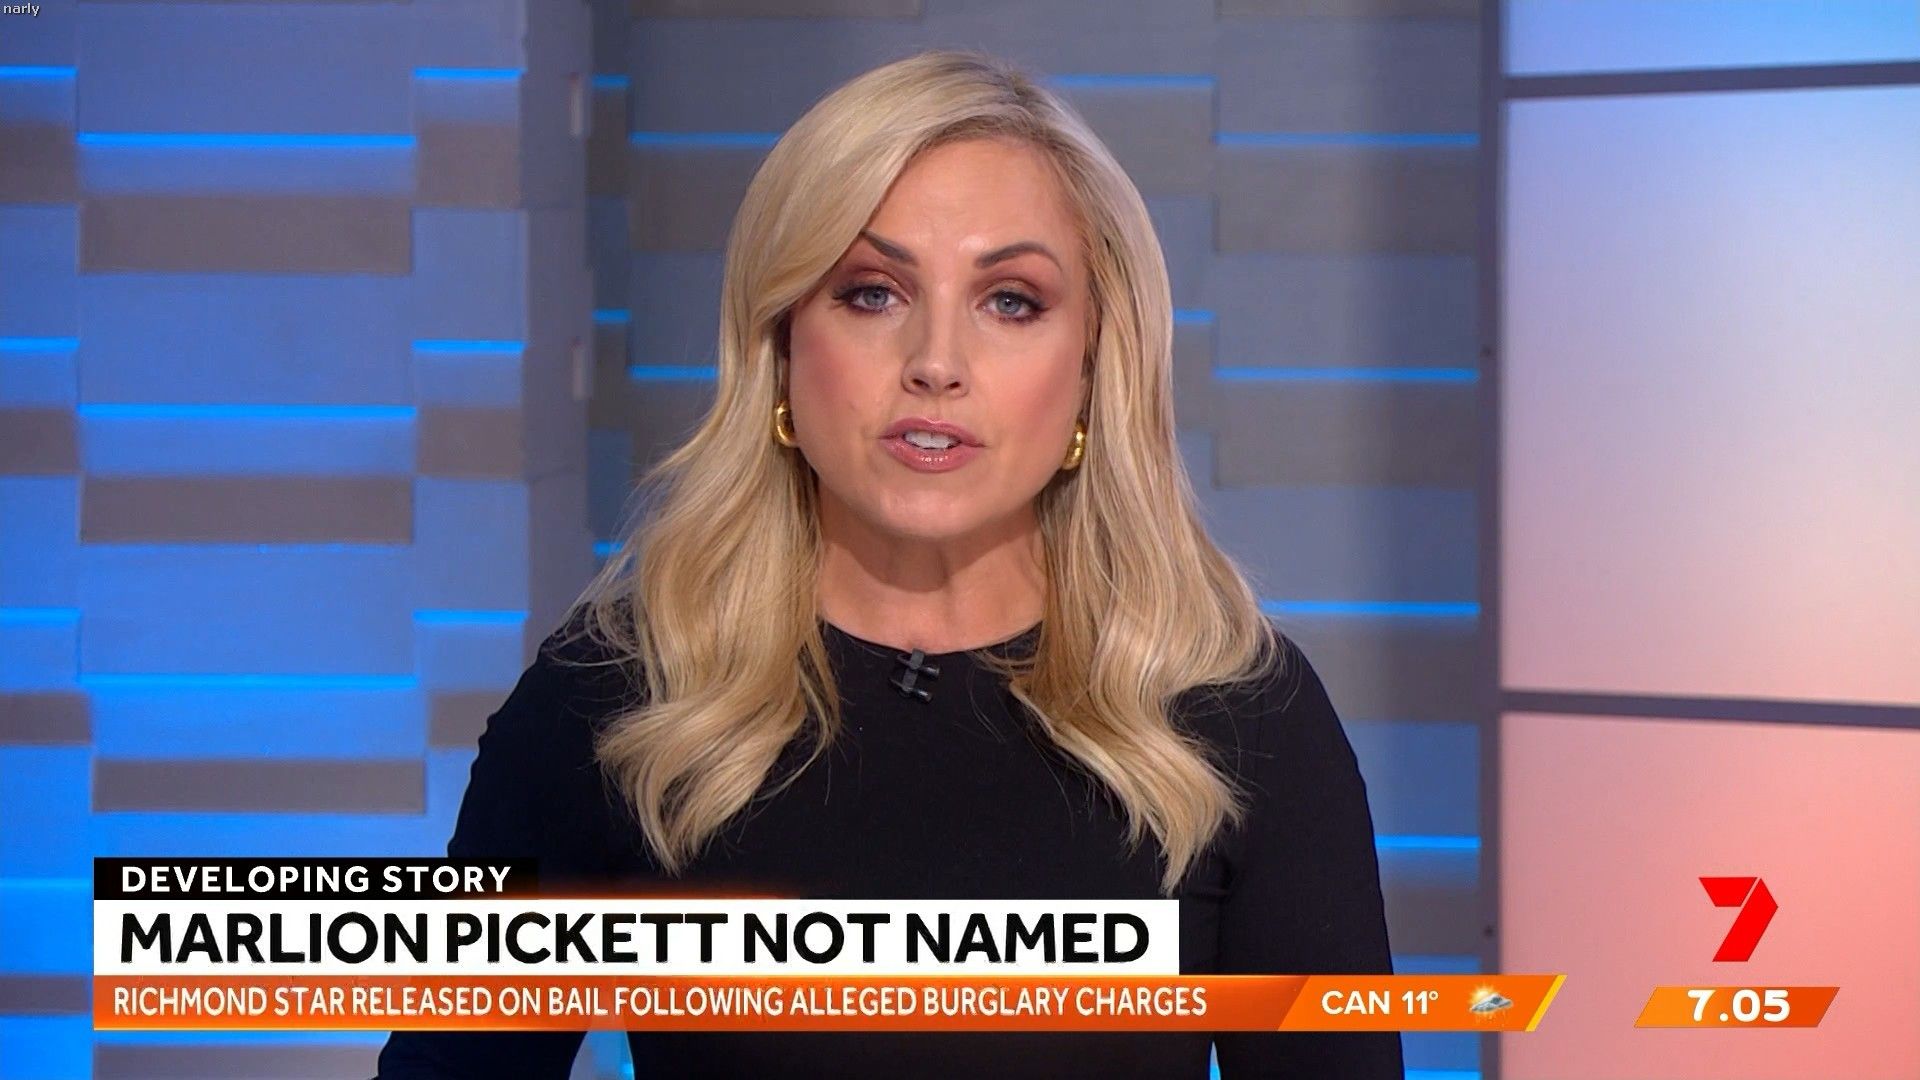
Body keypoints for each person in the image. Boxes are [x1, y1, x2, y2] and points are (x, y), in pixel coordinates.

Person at [375, 48, 1401, 1079]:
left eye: (1011, 301)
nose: (936, 363)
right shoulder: (619, 699)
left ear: (1095, 367)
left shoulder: (1238, 719)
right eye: (871, 292)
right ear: (782, 346)